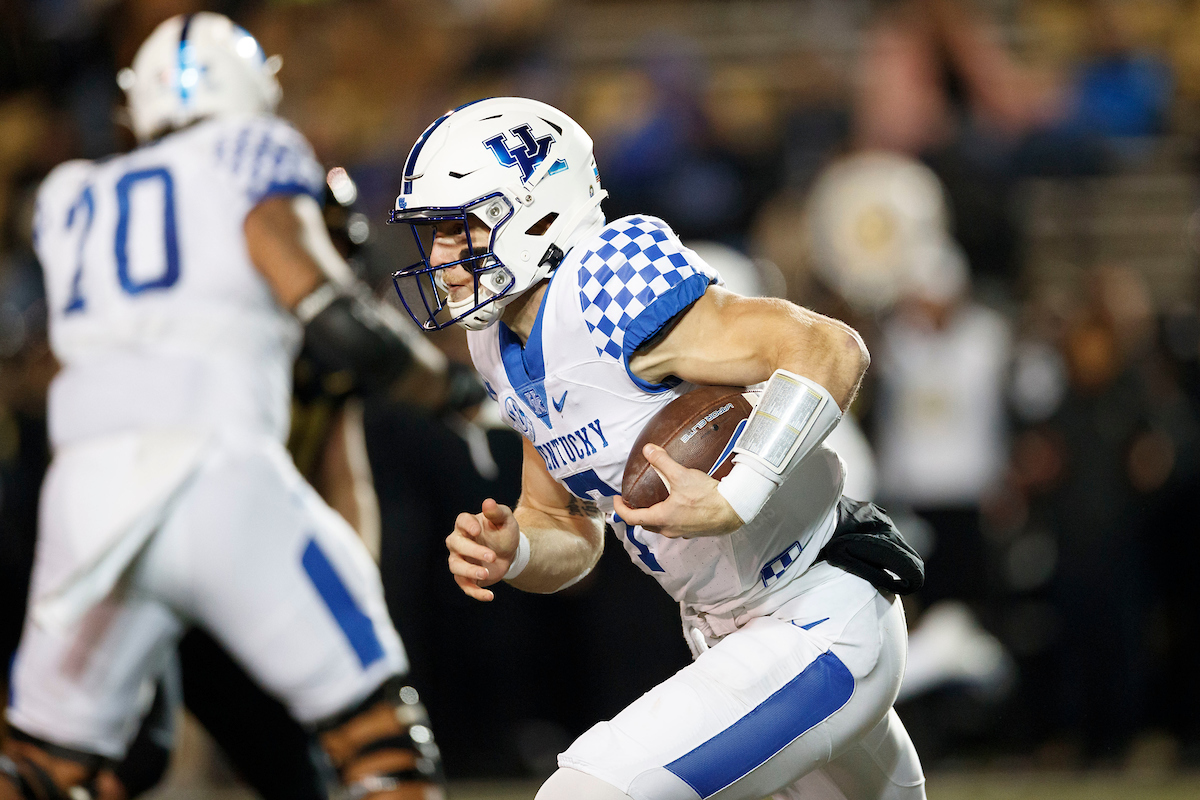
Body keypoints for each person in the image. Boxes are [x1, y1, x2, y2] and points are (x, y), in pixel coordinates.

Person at [390, 97, 926, 800]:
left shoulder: (605, 285)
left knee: (588, 792)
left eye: (460, 228)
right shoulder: (495, 341)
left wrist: (742, 485)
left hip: (814, 611)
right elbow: (567, 529)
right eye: (431, 233)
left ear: (538, 211)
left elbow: (828, 346)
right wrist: (515, 549)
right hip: (735, 631)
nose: (441, 258)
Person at [1, 14, 444, 800]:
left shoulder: (72, 195)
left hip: (90, 501)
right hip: (219, 478)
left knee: (48, 765)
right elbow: (337, 321)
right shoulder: (254, 156)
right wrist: (454, 391)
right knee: (373, 739)